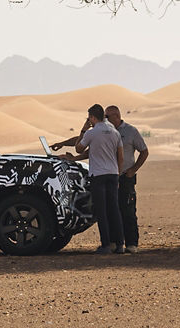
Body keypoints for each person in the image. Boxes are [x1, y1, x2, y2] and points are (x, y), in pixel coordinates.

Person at [73, 103, 124, 254]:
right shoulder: (114, 132)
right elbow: (120, 157)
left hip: (98, 176)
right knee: (114, 209)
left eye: (89, 118)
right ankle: (120, 244)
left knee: (102, 211)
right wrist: (118, 175)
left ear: (93, 118)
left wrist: (83, 129)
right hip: (113, 174)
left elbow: (78, 148)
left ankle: (106, 245)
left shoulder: (91, 133)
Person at [104, 105, 148, 254]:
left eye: (107, 117)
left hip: (125, 177)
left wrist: (133, 170)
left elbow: (144, 151)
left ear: (116, 116)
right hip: (109, 176)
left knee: (127, 210)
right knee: (111, 210)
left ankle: (131, 243)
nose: (105, 119)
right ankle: (114, 242)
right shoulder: (106, 132)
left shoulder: (131, 131)